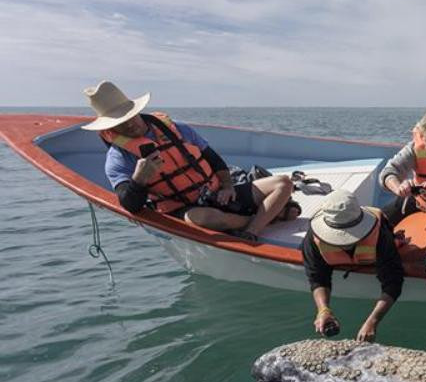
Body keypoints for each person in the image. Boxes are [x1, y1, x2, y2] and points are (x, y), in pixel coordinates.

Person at [83, 81, 295, 238]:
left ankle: (253, 228)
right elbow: (131, 205)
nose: (129, 124)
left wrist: (228, 186)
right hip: (186, 207)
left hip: (217, 193)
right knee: (202, 219)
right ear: (110, 128)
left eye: (130, 116)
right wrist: (139, 181)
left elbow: (213, 159)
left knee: (283, 183)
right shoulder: (117, 158)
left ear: (138, 111)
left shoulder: (177, 129)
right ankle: (267, 218)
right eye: (121, 122)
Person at [302, 190, 405, 342]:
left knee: (404, 204)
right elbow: (317, 276)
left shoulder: (380, 234)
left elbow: (393, 281)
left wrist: (373, 321)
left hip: (385, 234)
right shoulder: (312, 238)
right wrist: (323, 310)